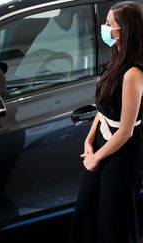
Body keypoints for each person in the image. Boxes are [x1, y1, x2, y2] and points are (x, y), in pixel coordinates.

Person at [70, 2, 143, 243]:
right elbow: (103, 108)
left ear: (125, 30)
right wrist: (89, 140)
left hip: (122, 153)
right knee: (86, 212)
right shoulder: (115, 58)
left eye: (109, 24)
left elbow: (125, 131)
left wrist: (96, 157)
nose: (104, 28)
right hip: (102, 143)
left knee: (114, 223)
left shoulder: (134, 73)